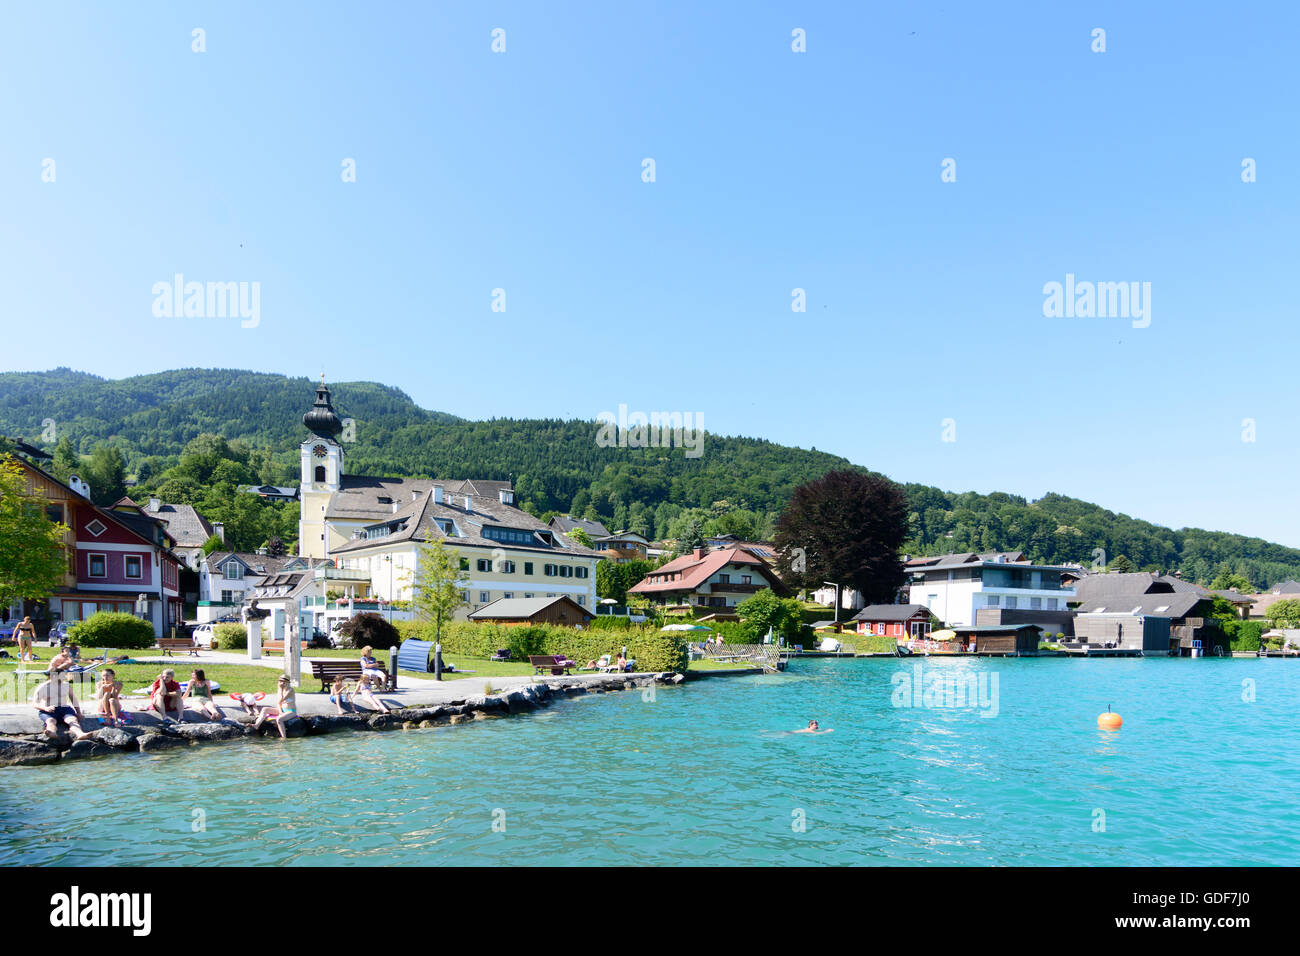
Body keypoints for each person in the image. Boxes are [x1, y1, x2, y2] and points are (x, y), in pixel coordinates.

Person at [33, 672, 91, 740]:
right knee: (50, 721)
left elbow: (73, 699)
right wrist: (45, 708)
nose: (63, 679)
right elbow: (35, 704)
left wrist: (78, 713)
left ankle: (80, 734)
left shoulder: (66, 685)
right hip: (49, 710)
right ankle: (52, 732)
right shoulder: (43, 687)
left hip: (64, 708)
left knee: (72, 720)